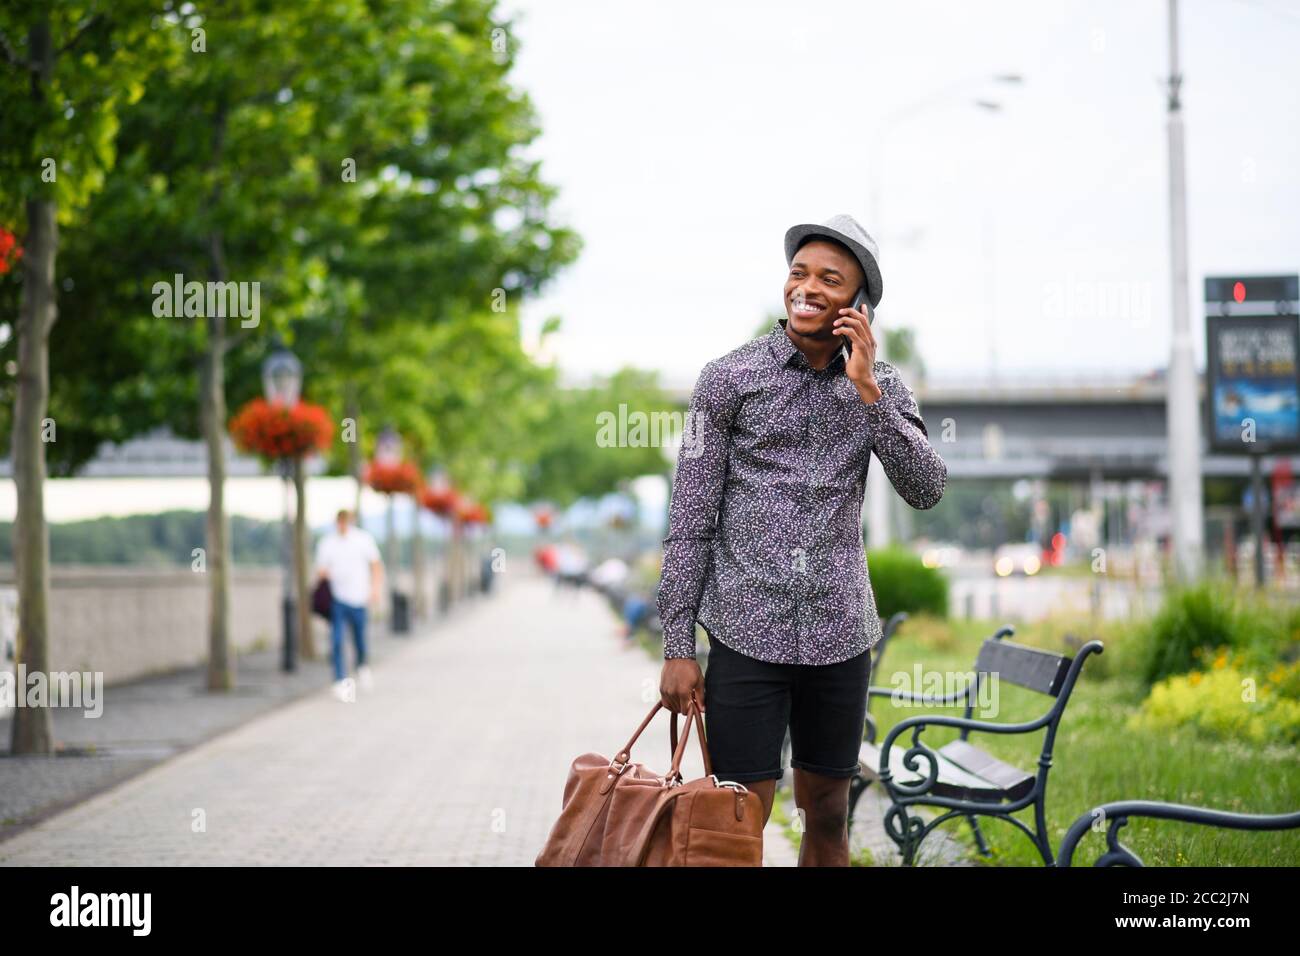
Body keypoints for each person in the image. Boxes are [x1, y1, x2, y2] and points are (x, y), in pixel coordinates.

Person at [656, 214, 948, 866]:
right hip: (745, 632)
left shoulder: (883, 384)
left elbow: (926, 487)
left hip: (840, 636)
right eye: (799, 273)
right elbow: (691, 518)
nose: (807, 288)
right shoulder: (728, 380)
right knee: (735, 825)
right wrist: (678, 643)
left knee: (830, 817)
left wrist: (868, 391)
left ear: (857, 303)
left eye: (828, 279)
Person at [315, 508, 384, 700]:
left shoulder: (363, 540)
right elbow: (320, 569)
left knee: (359, 639)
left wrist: (375, 589)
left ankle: (362, 665)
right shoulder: (327, 543)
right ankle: (341, 681)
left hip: (359, 597)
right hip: (338, 598)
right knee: (337, 641)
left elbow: (376, 565)